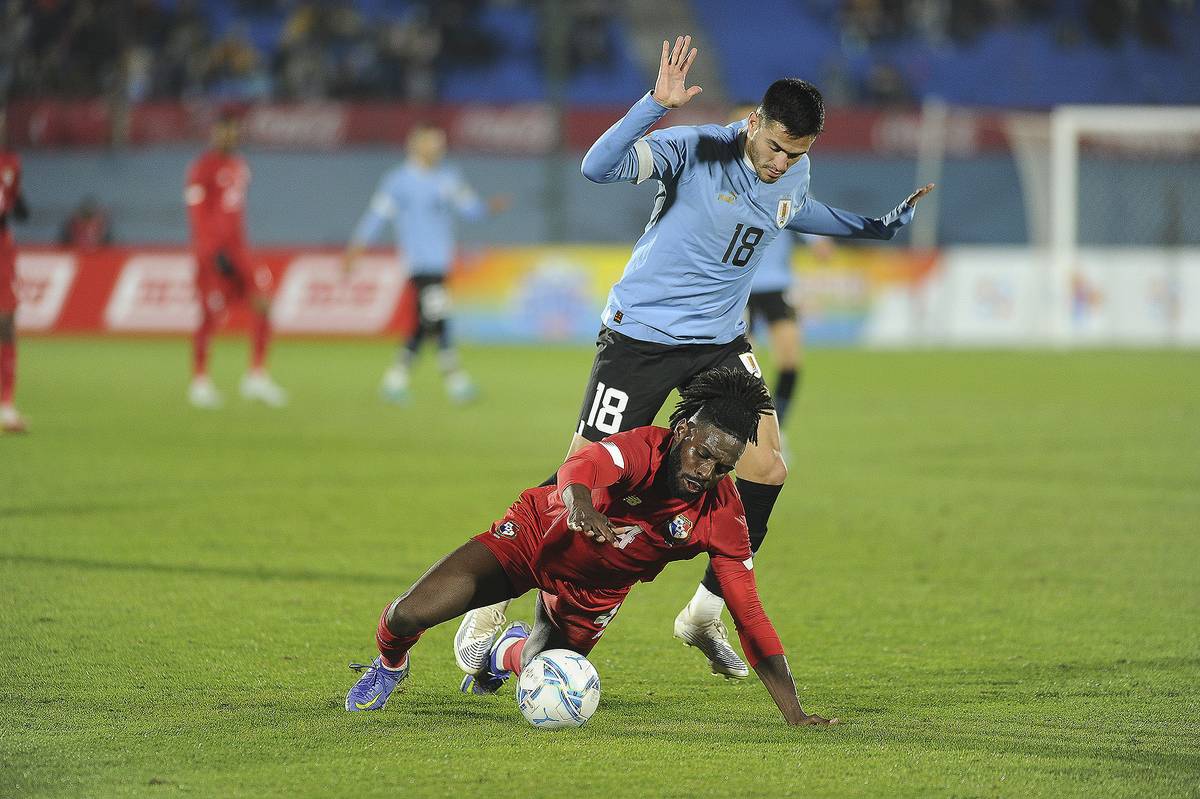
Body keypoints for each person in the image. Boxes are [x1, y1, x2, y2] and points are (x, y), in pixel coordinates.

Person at [467, 36, 934, 680]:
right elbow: (595, 168)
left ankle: (704, 614)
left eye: (795, 153)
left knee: (768, 467)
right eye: (774, 147)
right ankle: (496, 592)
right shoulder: (696, 148)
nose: (780, 163)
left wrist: (873, 227)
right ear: (755, 123)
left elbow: (795, 210)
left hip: (717, 341)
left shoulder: (792, 170)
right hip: (642, 335)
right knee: (583, 479)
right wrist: (652, 106)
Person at [345, 368, 836, 726]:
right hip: (535, 538)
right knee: (406, 616)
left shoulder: (722, 515)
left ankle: (501, 654)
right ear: (683, 431)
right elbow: (583, 467)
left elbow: (748, 612)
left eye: (721, 467)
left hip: (593, 594)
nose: (705, 472)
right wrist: (579, 504)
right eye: (702, 454)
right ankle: (390, 667)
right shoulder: (643, 447)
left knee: (543, 675)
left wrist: (795, 713)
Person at [344, 122, 510, 404]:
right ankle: (455, 382)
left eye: (441, 143)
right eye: (433, 142)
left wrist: (487, 208)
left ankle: (396, 380)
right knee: (438, 318)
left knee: (426, 322)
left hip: (440, 261)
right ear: (417, 145)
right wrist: (357, 246)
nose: (439, 148)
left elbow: (469, 210)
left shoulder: (449, 178)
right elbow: (377, 216)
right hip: (418, 262)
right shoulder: (398, 181)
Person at [184, 112, 287, 410]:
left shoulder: (240, 166)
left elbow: (233, 213)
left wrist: (236, 250)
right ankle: (200, 382)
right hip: (211, 253)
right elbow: (197, 214)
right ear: (213, 134)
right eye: (222, 132)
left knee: (264, 302)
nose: (227, 137)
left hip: (240, 250)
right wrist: (211, 252)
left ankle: (256, 376)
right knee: (210, 314)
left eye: (231, 132)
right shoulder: (201, 168)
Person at [0, 108, 30, 434]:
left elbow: (14, 200)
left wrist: (20, 204)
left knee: (6, 322)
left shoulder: (11, 163)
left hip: (3, 248)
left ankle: (6, 405)